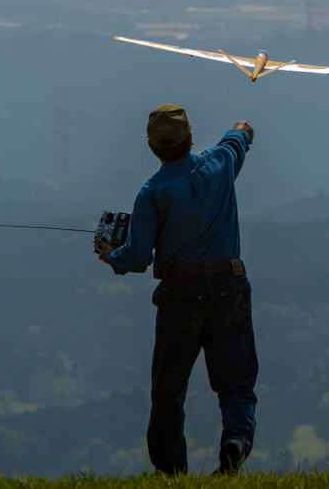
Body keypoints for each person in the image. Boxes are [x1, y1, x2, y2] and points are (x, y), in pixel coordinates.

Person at [94, 103, 258, 476]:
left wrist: (111, 256)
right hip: (231, 283)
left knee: (169, 390)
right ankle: (236, 441)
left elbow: (136, 258)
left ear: (152, 148)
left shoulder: (152, 192)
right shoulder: (221, 162)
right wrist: (239, 130)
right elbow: (244, 130)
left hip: (181, 292)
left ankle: (171, 472)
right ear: (191, 136)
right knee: (235, 383)